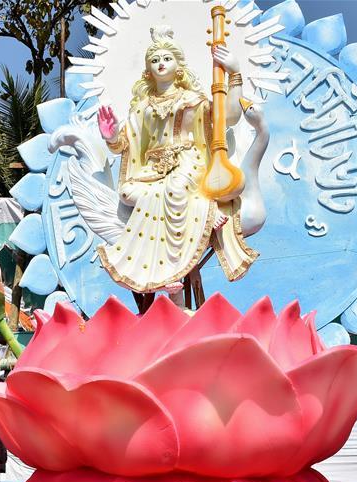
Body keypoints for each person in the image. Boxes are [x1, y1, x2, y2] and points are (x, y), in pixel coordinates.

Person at [95, 25, 257, 292]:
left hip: (187, 161)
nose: (161, 63)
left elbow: (228, 117)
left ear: (178, 66)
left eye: (167, 58)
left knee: (175, 188)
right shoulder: (142, 107)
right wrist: (111, 136)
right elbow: (127, 143)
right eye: (155, 59)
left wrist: (234, 74)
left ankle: (187, 244)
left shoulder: (193, 100)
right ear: (148, 69)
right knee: (128, 193)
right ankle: (201, 214)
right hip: (151, 169)